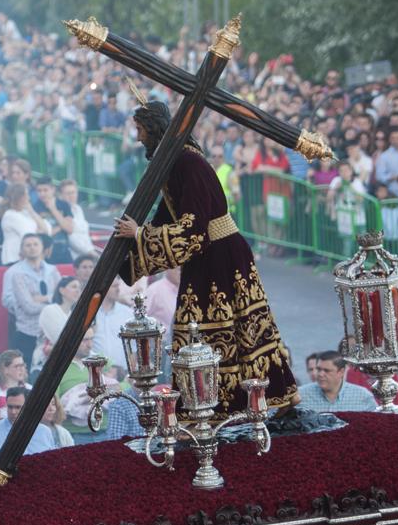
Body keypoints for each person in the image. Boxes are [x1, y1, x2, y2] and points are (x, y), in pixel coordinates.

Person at [114, 100, 297, 417]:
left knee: (240, 327)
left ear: (154, 128)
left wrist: (142, 236)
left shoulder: (187, 161)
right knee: (209, 329)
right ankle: (214, 406)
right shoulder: (175, 161)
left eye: (141, 129)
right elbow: (167, 213)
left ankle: (263, 400)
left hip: (220, 254)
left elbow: (194, 228)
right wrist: (135, 243)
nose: (139, 136)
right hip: (209, 257)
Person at [3, 234, 61, 363]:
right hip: (27, 329)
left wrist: (41, 298)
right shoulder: (14, 272)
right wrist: (24, 304)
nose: (32, 248)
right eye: (28, 245)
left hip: (52, 330)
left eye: (35, 244)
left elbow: (61, 298)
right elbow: (9, 300)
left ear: (42, 248)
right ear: (22, 249)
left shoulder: (52, 270)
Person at [0, 387, 56, 464]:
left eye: (18, 407)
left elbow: (52, 461)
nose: (13, 412)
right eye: (10, 407)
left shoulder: (45, 432)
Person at [295, 351, 378, 414]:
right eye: (319, 369)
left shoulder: (363, 396)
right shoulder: (301, 395)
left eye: (327, 371)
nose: (320, 374)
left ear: (341, 372)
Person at [0, 183, 46, 265]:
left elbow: (46, 230)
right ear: (19, 197)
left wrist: (32, 211)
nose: (29, 198)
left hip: (29, 259)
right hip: (15, 259)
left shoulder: (26, 212)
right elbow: (29, 235)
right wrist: (38, 230)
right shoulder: (10, 215)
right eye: (26, 195)